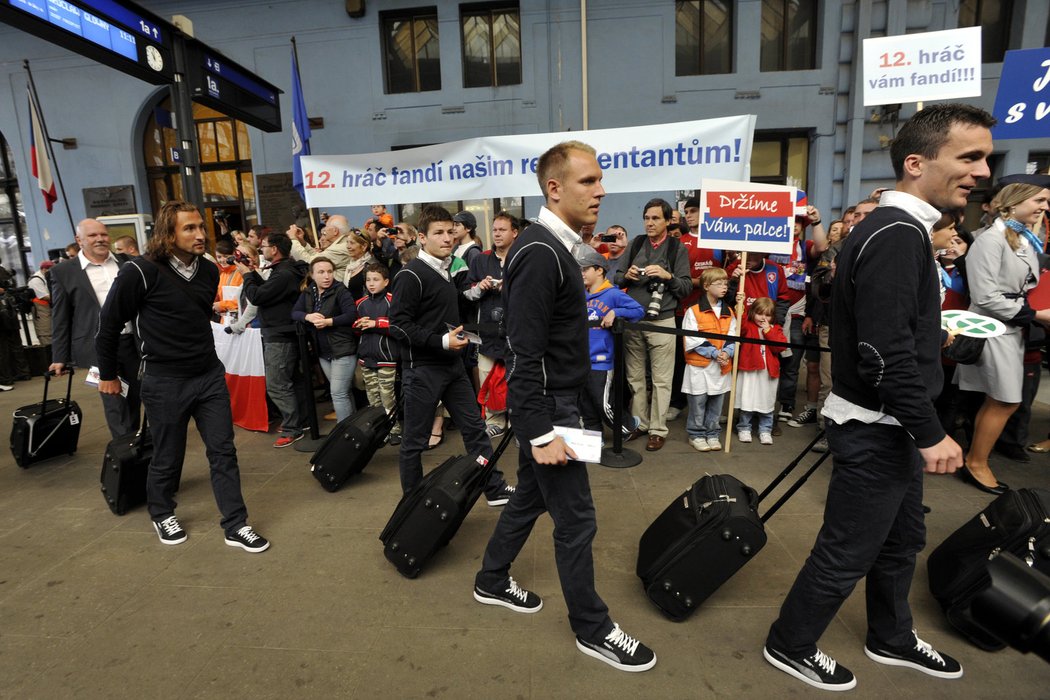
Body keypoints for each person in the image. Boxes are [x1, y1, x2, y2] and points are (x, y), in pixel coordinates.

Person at [763, 103, 993, 691]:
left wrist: (934, 335)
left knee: (902, 539)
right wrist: (930, 432)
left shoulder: (900, 230)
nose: (983, 172)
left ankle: (889, 636)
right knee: (848, 549)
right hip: (878, 427)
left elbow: (889, 331)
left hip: (890, 424)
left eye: (985, 158)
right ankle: (790, 644)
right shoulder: (894, 234)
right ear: (915, 163)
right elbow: (880, 353)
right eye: (969, 157)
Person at [474, 140, 656, 672]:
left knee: (530, 500)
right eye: (588, 181)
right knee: (577, 522)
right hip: (549, 411)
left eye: (600, 180)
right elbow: (522, 350)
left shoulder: (556, 246)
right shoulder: (538, 251)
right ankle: (593, 629)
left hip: (559, 403)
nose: (601, 190)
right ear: (554, 188)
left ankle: (490, 579)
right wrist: (538, 431)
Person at [95, 201, 268, 552]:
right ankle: (161, 512)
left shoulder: (206, 271)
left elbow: (196, 314)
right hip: (164, 380)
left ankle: (236, 524)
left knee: (223, 452)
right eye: (189, 228)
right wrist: (108, 374)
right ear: (168, 233)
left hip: (208, 376)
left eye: (201, 227)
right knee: (167, 455)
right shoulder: (140, 271)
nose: (200, 234)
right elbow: (109, 326)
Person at [388, 205, 513, 504]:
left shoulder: (445, 269)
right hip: (423, 372)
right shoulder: (411, 275)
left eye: (450, 232)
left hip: (452, 367)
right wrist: (440, 341)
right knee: (414, 443)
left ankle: (493, 490)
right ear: (421, 237)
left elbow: (442, 315)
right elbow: (398, 326)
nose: (447, 238)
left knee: (474, 431)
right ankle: (413, 506)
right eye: (439, 233)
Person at [953, 181, 1050, 493]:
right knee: (1006, 400)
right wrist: (1036, 315)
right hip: (992, 329)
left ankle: (976, 459)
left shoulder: (1022, 238)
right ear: (1015, 200)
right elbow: (984, 297)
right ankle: (976, 463)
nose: (1045, 208)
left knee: (1000, 399)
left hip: (1009, 329)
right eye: (1039, 200)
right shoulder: (990, 240)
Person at [48, 218, 141, 438]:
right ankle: (126, 453)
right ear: (79, 240)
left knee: (134, 398)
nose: (100, 239)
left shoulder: (128, 263)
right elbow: (60, 317)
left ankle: (135, 444)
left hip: (131, 344)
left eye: (103, 234)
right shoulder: (64, 272)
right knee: (114, 402)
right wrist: (59, 356)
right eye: (92, 235)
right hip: (96, 349)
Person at [614, 198, 692, 451]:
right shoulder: (636, 243)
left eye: (655, 218)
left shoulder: (676, 248)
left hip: (663, 320)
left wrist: (667, 276)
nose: (649, 222)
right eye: (647, 217)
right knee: (635, 377)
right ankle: (640, 423)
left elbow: (686, 286)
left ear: (668, 221)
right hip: (633, 320)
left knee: (661, 379)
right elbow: (615, 277)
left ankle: (658, 430)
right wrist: (627, 275)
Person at [239, 232, 309, 448]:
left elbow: (258, 296)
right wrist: (253, 272)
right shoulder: (284, 271)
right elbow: (268, 291)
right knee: (292, 380)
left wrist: (246, 275)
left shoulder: (284, 273)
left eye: (264, 246)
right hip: (284, 332)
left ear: (275, 249)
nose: (261, 250)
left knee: (277, 384)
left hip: (280, 335)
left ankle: (291, 428)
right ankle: (301, 420)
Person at [579, 246, 643, 437]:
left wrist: (616, 312)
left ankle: (627, 429)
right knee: (585, 402)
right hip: (582, 360)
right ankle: (593, 438)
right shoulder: (582, 295)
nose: (581, 273)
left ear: (599, 270)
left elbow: (639, 311)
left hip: (602, 360)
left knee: (602, 402)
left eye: (585, 269)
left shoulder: (613, 294)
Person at [465, 211, 519, 437]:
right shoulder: (481, 259)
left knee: (517, 379)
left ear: (515, 233)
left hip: (517, 332)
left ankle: (520, 424)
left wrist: (509, 287)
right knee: (487, 377)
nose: (497, 234)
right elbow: (467, 294)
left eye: (502, 230)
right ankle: (494, 420)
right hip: (487, 331)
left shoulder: (523, 257)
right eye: (494, 229)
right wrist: (481, 287)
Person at [292, 256, 359, 424]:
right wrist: (308, 316)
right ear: (312, 275)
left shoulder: (340, 290)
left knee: (338, 393)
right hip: (323, 351)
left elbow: (352, 315)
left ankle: (343, 435)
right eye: (321, 272)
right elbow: (295, 312)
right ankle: (354, 428)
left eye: (330, 271)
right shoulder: (310, 291)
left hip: (343, 348)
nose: (326, 276)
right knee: (343, 392)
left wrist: (329, 321)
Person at [681, 267, 736, 452]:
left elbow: (733, 335)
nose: (724, 287)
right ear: (706, 286)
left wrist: (727, 352)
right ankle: (696, 434)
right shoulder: (693, 311)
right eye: (719, 283)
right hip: (700, 366)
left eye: (726, 283)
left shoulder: (729, 311)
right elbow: (693, 338)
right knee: (698, 402)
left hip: (720, 366)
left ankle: (712, 433)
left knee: (717, 402)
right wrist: (715, 353)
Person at [354, 262, 401, 445]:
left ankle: (395, 429)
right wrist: (357, 326)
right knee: (372, 397)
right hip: (366, 357)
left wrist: (376, 323)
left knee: (387, 395)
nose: (371, 283)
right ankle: (380, 430)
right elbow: (356, 329)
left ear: (386, 281)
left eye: (376, 279)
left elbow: (398, 326)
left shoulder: (392, 300)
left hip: (386, 357)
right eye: (368, 280)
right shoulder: (360, 303)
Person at [735, 297, 787, 445]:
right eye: (759, 313)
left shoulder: (775, 329)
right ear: (753, 313)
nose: (763, 318)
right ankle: (744, 428)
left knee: (766, 401)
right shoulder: (748, 326)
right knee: (747, 399)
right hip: (749, 370)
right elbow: (741, 323)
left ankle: (765, 430)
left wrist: (768, 331)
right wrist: (741, 306)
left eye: (768, 315)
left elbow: (780, 346)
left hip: (767, 373)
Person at [27, 260, 53, 346]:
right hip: (41, 311)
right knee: (46, 334)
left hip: (48, 310)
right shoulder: (36, 280)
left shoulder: (46, 278)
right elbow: (44, 296)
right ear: (44, 269)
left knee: (51, 332)